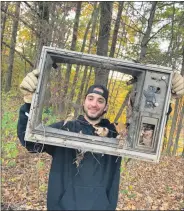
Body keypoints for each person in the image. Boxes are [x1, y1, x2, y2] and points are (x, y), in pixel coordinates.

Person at [17, 69, 184, 210]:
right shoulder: (64, 128)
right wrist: (29, 103)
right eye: (90, 98)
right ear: (84, 102)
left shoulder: (116, 134)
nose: (94, 104)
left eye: (100, 101)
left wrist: (164, 102)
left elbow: (146, 136)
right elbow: (30, 143)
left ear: (106, 107)